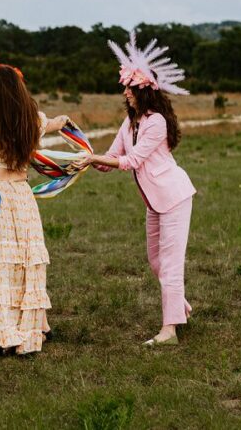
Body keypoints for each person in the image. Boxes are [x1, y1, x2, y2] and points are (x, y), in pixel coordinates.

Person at [71, 32, 196, 347]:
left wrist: (97, 159)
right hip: (154, 203)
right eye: (126, 87)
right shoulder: (129, 124)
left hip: (174, 198)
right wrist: (88, 160)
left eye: (130, 88)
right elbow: (113, 157)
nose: (125, 92)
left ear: (144, 92)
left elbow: (133, 161)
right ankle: (178, 307)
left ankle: (169, 331)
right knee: (155, 261)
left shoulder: (156, 123)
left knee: (169, 265)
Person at [0, 64, 67, 356]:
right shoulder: (31, 119)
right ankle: (23, 332)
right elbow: (54, 124)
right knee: (20, 265)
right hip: (21, 197)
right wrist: (63, 120)